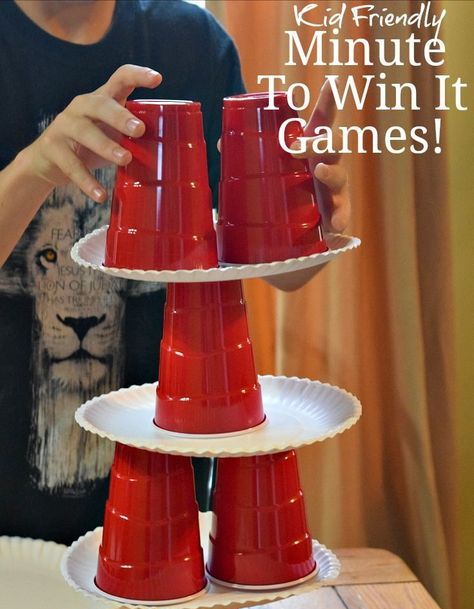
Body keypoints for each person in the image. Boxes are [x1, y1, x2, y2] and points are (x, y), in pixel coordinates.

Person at [0, 0, 349, 544]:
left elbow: (278, 270)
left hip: (170, 517)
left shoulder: (191, 42)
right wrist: (35, 165)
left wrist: (303, 221)